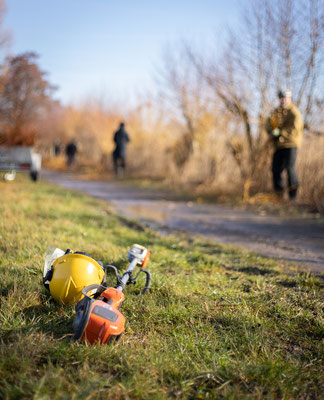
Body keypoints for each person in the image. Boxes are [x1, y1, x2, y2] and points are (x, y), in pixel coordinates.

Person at [266, 90, 303, 200]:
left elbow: (295, 129)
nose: (283, 100)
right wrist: (270, 132)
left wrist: (280, 132)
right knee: (275, 169)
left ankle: (293, 197)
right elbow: (269, 124)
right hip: (278, 145)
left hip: (291, 144)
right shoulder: (276, 112)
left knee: (290, 168)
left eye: (285, 97)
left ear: (290, 98)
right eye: (281, 97)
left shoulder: (294, 112)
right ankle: (279, 195)